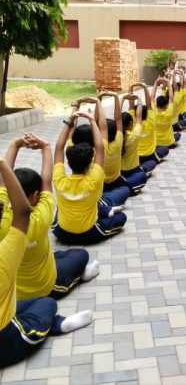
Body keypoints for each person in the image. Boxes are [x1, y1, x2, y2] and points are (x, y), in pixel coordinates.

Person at [0, 157, 93, 368]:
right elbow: (23, 211)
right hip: (5, 340)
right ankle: (57, 324)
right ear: (34, 197)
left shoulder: (5, 234)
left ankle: (59, 320)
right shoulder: (6, 251)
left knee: (30, 299)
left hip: (18, 294)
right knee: (48, 303)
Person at [1, 134, 99, 300]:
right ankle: (77, 278)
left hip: (10, 291)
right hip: (43, 289)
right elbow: (47, 179)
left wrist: (14, 145)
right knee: (80, 255)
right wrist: (45, 147)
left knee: (59, 255)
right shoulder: (41, 216)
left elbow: (3, 180)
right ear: (34, 196)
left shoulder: (2, 217)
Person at [53, 111, 127, 245]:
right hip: (89, 233)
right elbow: (100, 148)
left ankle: (105, 209)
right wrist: (92, 120)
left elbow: (58, 148)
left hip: (61, 233)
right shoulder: (95, 179)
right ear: (89, 164)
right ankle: (106, 210)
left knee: (60, 207)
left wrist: (70, 121)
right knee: (121, 217)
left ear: (68, 162)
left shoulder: (59, 181)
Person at [98, 93, 131, 206]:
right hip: (115, 183)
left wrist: (98, 100)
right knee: (127, 189)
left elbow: (97, 122)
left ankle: (104, 200)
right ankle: (107, 201)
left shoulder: (99, 147)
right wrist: (116, 97)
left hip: (100, 185)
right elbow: (118, 119)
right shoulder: (119, 140)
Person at [121, 95, 154, 194]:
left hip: (118, 173)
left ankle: (123, 185)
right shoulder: (134, 135)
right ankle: (127, 186)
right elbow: (139, 117)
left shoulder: (115, 137)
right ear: (131, 123)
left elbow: (117, 118)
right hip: (132, 170)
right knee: (150, 165)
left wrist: (122, 99)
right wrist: (139, 99)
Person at [131, 83, 169, 165]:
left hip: (135, 156)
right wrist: (145, 87)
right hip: (149, 155)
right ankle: (150, 163)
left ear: (135, 114)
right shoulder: (151, 120)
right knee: (165, 149)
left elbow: (131, 105)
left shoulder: (133, 122)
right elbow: (149, 103)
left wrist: (131, 88)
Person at [152, 77, 177, 149]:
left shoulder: (153, 111)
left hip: (156, 143)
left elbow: (152, 97)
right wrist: (169, 83)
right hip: (168, 143)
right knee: (177, 135)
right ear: (166, 105)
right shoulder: (169, 112)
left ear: (156, 104)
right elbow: (171, 98)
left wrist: (156, 83)